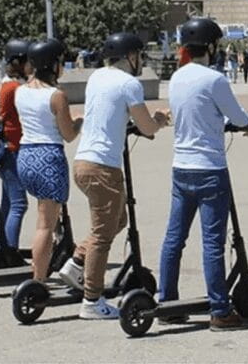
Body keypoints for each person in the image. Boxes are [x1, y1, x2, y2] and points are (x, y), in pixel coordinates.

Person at [59, 32, 170, 320]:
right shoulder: (129, 83)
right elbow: (146, 126)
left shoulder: (97, 76)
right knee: (103, 236)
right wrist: (159, 120)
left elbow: (110, 112)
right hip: (103, 167)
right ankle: (92, 301)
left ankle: (76, 262)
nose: (141, 61)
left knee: (118, 220)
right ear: (130, 56)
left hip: (83, 162)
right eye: (140, 56)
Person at [160, 17, 248, 331]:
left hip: (181, 167)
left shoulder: (176, 78)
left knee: (174, 238)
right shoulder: (214, 79)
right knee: (213, 243)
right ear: (211, 47)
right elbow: (237, 115)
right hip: (210, 169)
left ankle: (167, 302)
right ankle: (220, 309)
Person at [15, 38, 83, 282]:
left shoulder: (20, 91)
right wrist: (79, 122)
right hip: (48, 157)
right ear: (53, 65)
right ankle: (38, 279)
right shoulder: (56, 96)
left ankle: (42, 271)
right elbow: (68, 134)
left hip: (26, 155)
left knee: (43, 217)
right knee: (45, 225)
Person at [0, 39, 32, 249]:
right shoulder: (14, 88)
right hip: (12, 149)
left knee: (8, 202)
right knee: (19, 204)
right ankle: (9, 250)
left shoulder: (7, 84)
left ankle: (3, 245)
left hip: (7, 147)